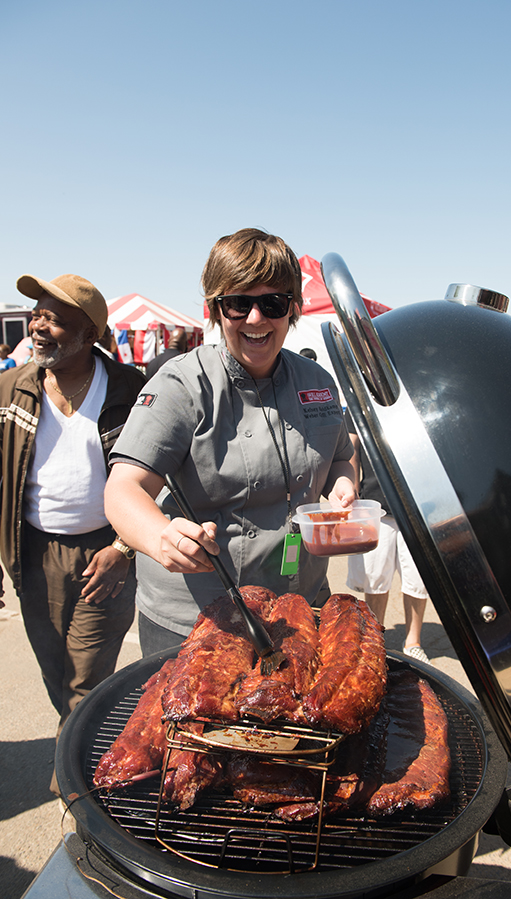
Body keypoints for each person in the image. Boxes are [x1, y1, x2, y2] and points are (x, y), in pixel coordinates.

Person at [105, 228, 356, 656]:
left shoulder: (316, 382)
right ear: (216, 310)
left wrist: (343, 487)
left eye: (273, 303)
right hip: (200, 617)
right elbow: (123, 487)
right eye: (238, 304)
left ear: (292, 309)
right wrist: (161, 537)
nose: (256, 319)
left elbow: (342, 456)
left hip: (301, 603)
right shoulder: (181, 384)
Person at [0, 273, 146, 792]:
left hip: (103, 553)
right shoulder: (12, 387)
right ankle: (76, 748)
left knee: (88, 676)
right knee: (53, 667)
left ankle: (74, 778)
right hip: (30, 552)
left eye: (55, 319)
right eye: (37, 313)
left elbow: (164, 475)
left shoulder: (131, 391)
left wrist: (123, 549)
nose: (39, 326)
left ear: (90, 335)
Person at [345, 413, 432, 664]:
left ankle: (413, 642)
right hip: (375, 502)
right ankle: (375, 637)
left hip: (418, 504)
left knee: (417, 579)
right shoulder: (361, 398)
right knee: (375, 579)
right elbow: (352, 443)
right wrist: (353, 485)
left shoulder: (416, 399)